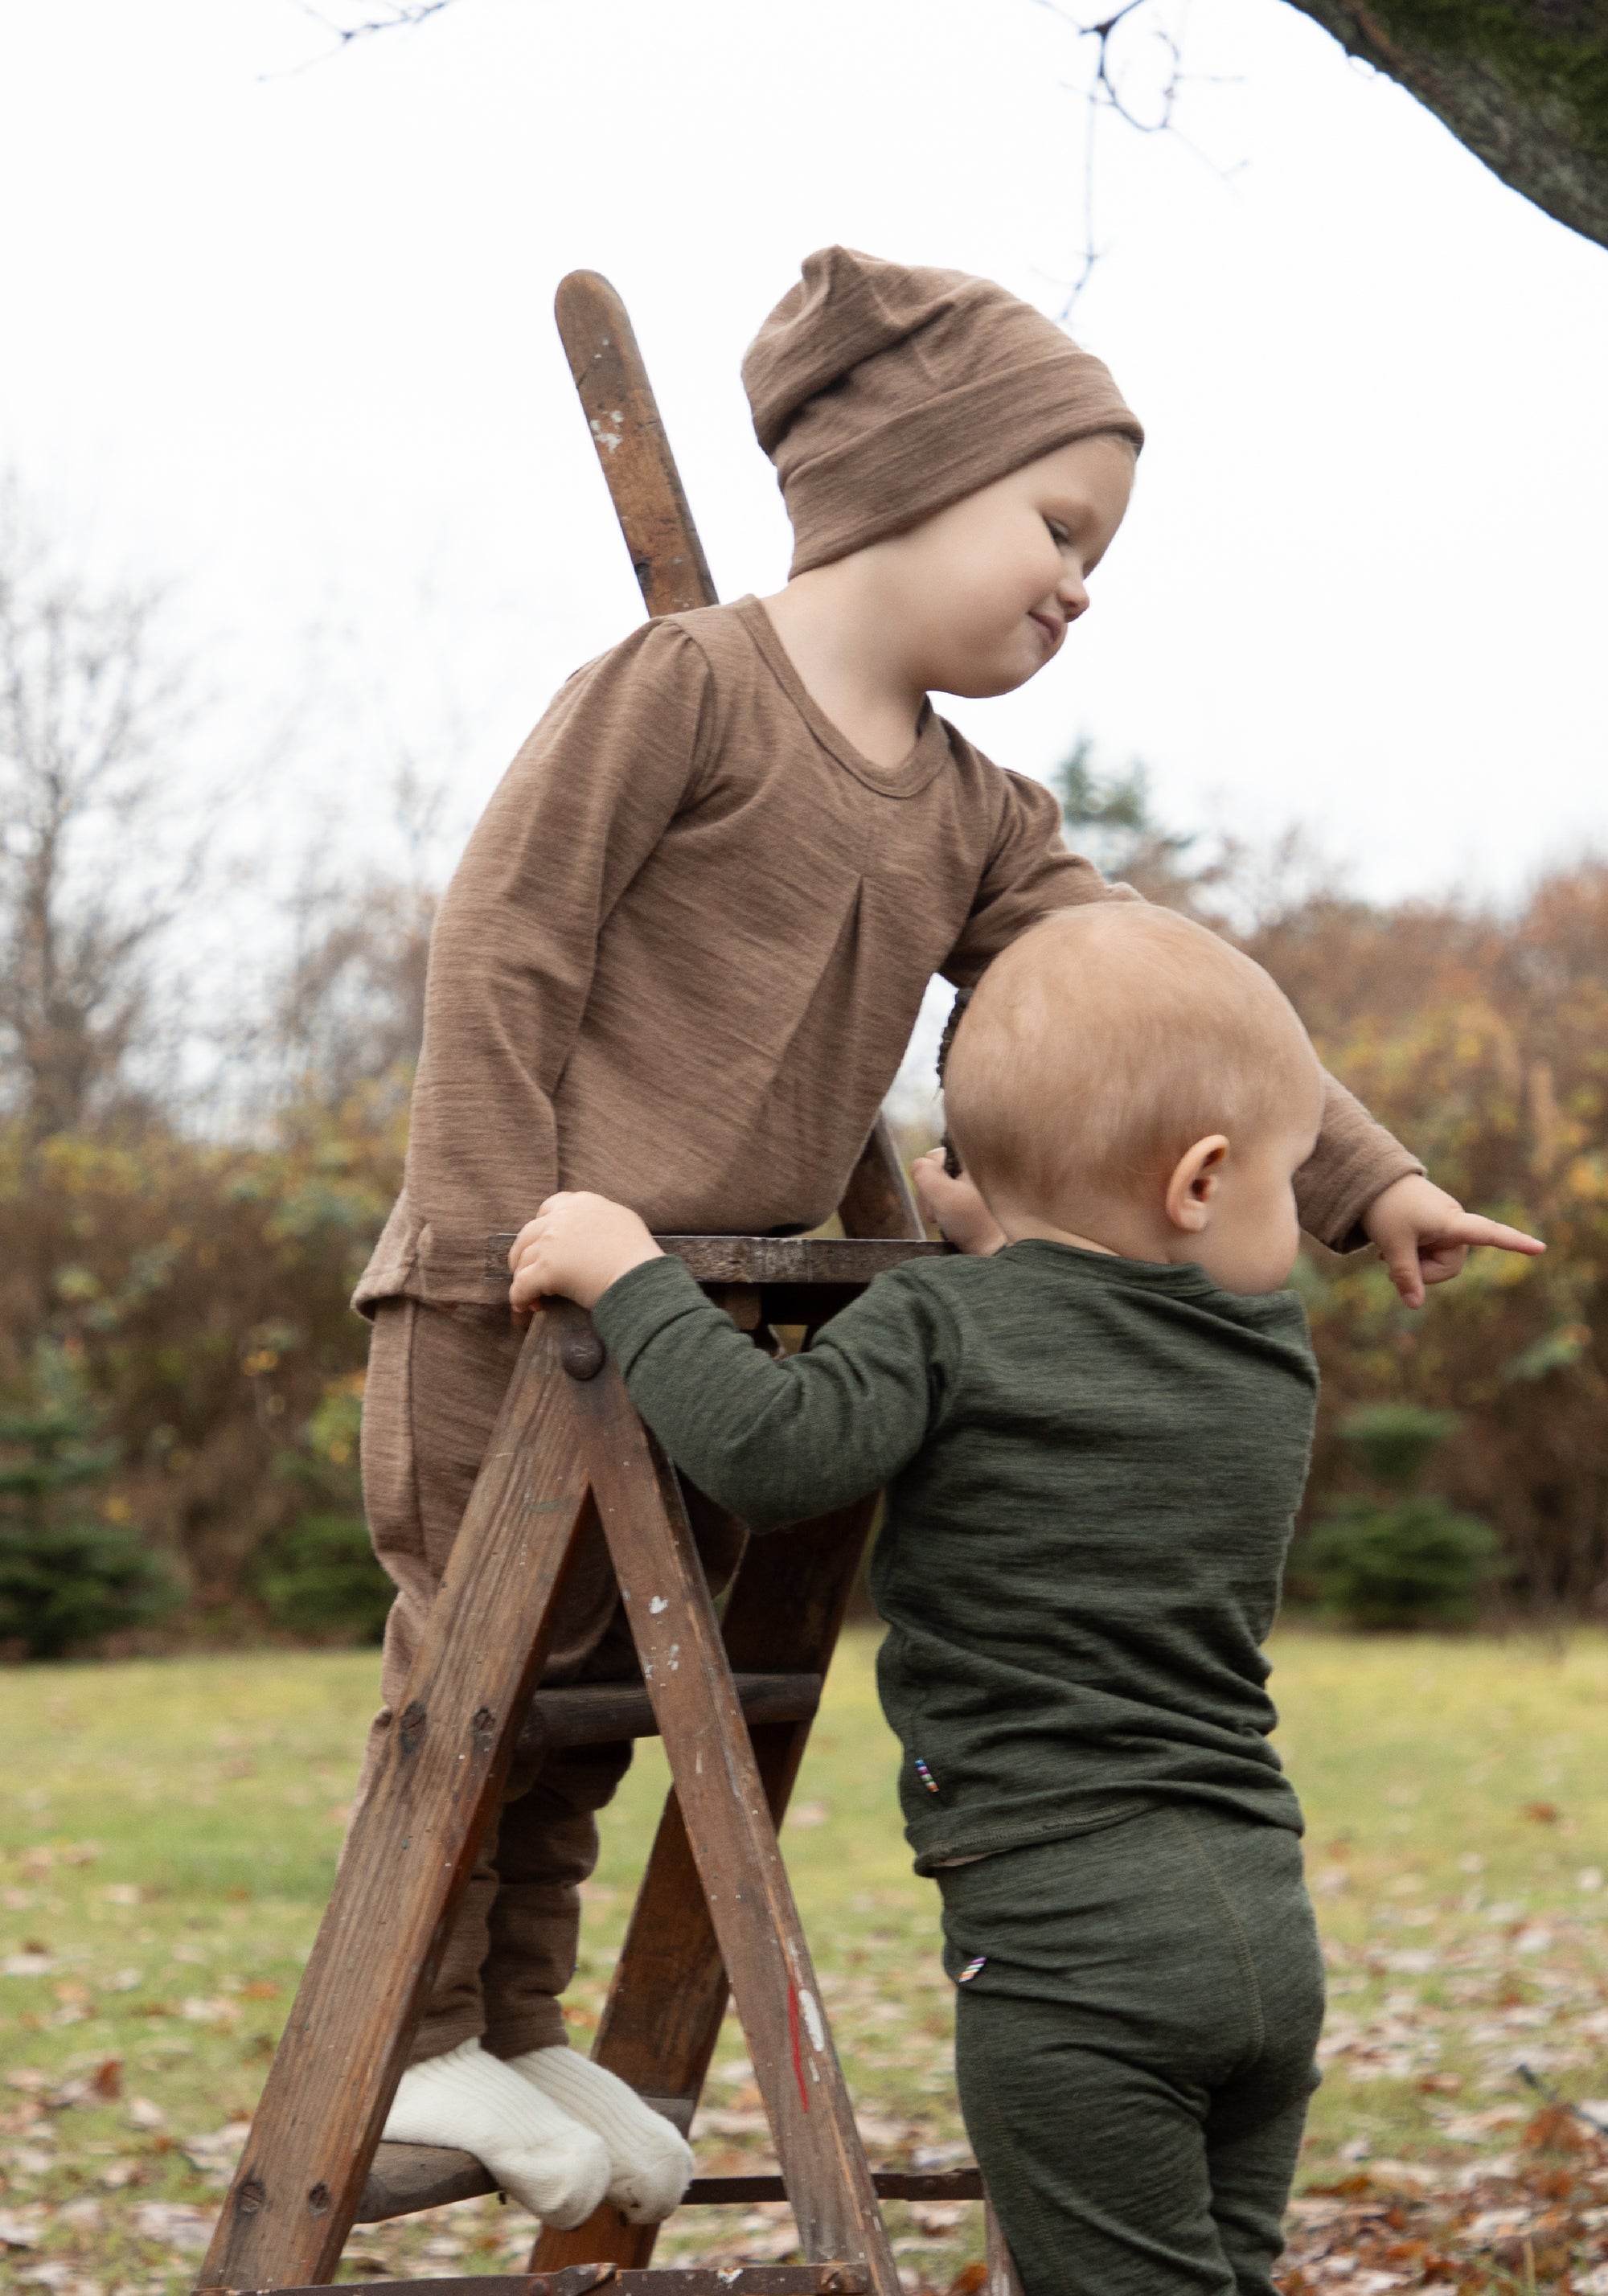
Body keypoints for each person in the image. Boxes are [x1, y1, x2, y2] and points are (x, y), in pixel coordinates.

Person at [359, 244, 1527, 2226]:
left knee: (607, 1695)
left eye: (1102, 554)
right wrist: (495, 1230)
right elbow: (508, 943)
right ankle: (415, 2047)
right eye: (1057, 527)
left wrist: (1361, 1177)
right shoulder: (683, 693)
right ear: (905, 475)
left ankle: (518, 2020)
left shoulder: (976, 815)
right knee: (476, 1681)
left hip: (713, 1320)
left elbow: (1164, 1006)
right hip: (525, 1282)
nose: (1081, 581)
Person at [504, 904, 1542, 2294]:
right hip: (1257, 1932)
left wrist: (629, 1275)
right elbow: (1099, 1320)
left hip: (1073, 1965)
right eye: (1298, 1185)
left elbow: (771, 1451)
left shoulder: (948, 1326)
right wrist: (1024, 1226)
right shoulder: (1266, 1359)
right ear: (1200, 1184)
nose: (1301, 1221)